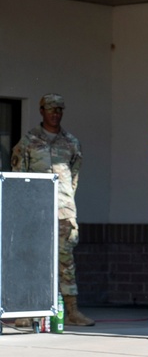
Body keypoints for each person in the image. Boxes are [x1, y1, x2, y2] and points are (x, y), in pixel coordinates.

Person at [11, 93, 94, 326]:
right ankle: (27, 312)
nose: (55, 114)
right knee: (33, 260)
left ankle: (72, 311)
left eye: (59, 110)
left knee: (66, 261)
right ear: (41, 111)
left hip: (63, 211)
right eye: (50, 109)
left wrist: (66, 203)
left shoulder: (71, 143)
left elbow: (74, 177)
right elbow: (18, 179)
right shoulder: (28, 142)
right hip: (35, 213)